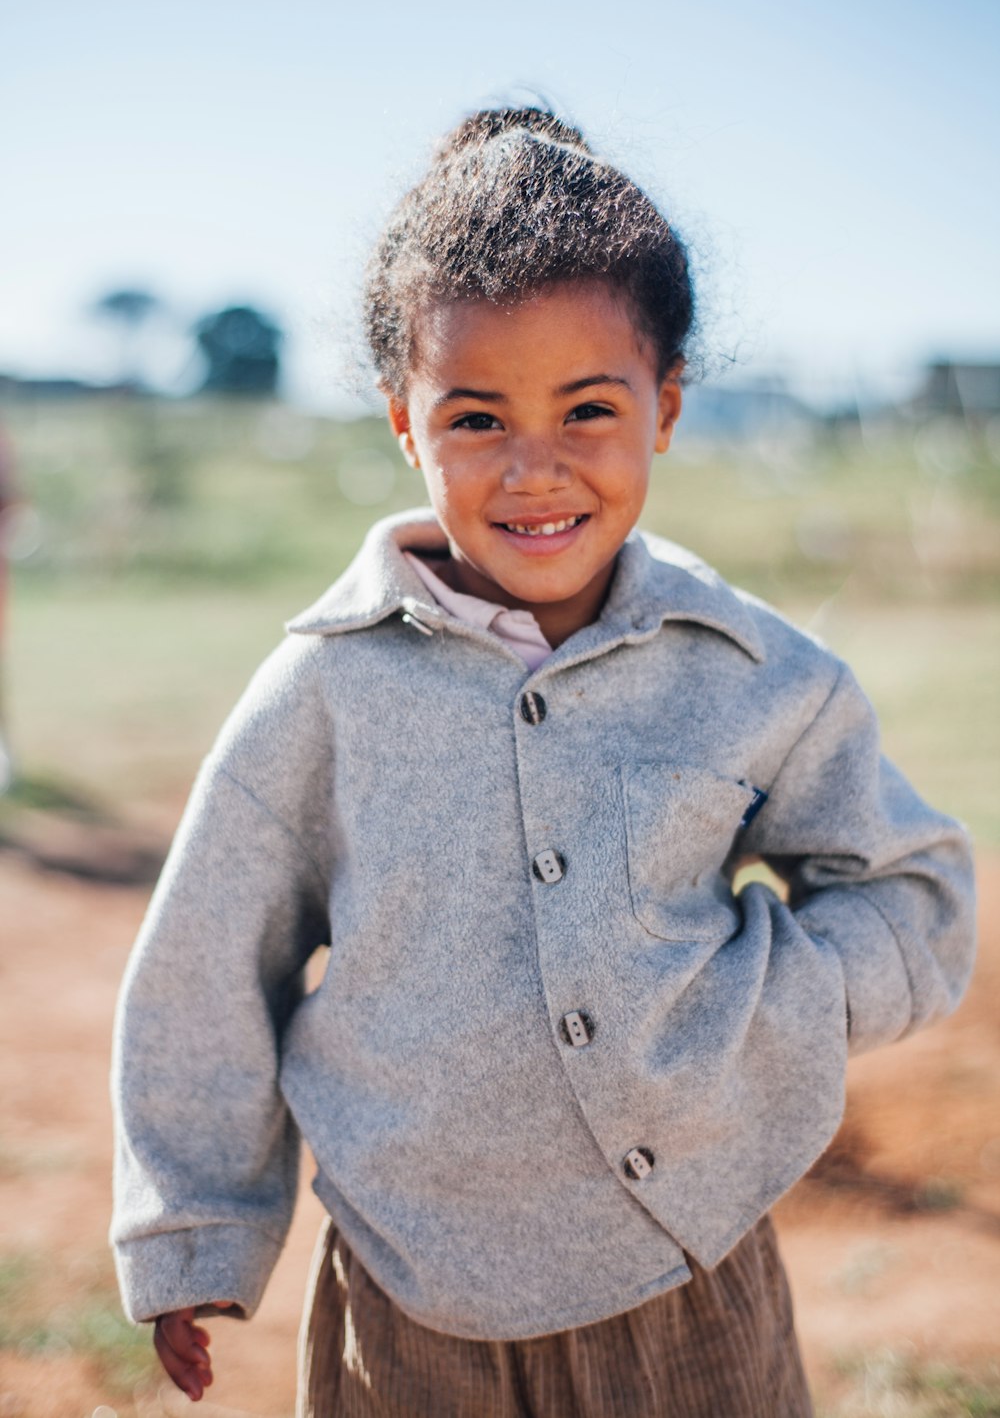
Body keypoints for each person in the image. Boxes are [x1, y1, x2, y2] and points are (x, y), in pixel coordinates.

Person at [110, 106, 976, 1418]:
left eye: (587, 408)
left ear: (666, 407)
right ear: (406, 422)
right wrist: (192, 1229)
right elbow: (209, 961)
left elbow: (917, 892)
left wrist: (782, 1001)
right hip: (409, 1310)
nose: (536, 467)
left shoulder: (752, 673)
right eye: (476, 419)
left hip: (695, 1283)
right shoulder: (326, 691)